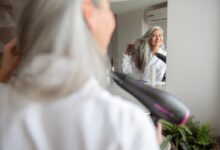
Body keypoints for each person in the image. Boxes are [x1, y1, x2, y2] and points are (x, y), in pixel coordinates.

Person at [0, 0, 160, 149]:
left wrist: (3, 77)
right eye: (107, 7)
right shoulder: (127, 126)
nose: (112, 20)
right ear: (88, 12)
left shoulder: (5, 102)